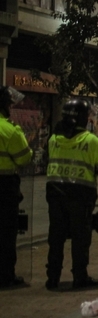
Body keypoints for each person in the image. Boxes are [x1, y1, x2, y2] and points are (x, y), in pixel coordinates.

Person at [45, 99, 98, 290]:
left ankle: (52, 278)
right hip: (80, 194)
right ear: (83, 118)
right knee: (80, 238)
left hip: (55, 194)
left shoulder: (54, 139)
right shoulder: (90, 141)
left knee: (56, 237)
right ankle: (79, 277)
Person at [0, 87, 31, 288]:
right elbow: (25, 158)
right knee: (5, 233)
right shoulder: (9, 130)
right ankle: (5, 276)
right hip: (4, 187)